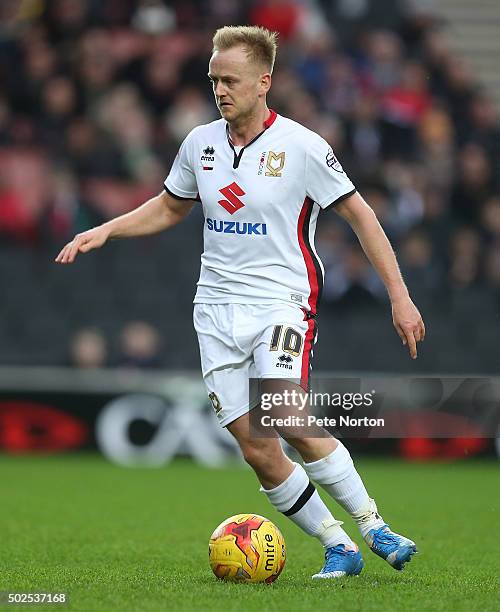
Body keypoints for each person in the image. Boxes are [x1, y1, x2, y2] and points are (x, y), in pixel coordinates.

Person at [56, 25, 425, 579]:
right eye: (213, 80)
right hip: (214, 310)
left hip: (281, 302)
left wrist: (400, 296)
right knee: (258, 449)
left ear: (263, 82)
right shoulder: (199, 144)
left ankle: (374, 527)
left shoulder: (302, 147)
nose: (220, 90)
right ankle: (337, 545)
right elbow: (169, 206)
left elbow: (361, 216)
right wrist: (106, 230)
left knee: (286, 413)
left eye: (230, 80)